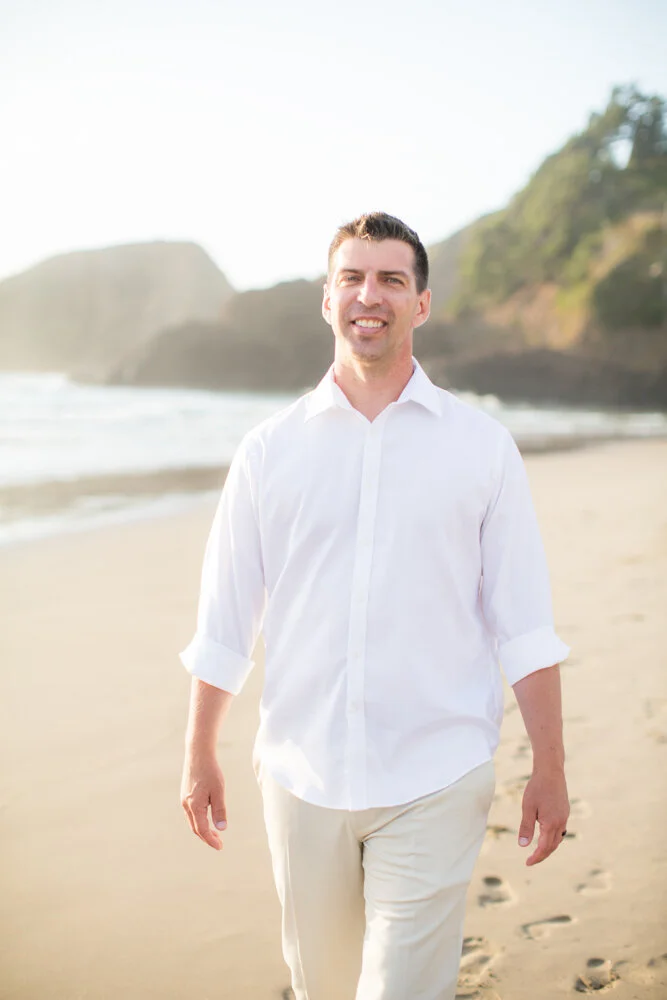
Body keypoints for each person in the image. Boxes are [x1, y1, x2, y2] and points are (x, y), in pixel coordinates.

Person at [179, 212, 570, 1000]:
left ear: (420, 304)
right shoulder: (268, 451)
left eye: (392, 279)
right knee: (321, 986)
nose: (371, 295)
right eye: (352, 278)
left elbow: (523, 626)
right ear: (326, 301)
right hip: (300, 774)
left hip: (436, 771)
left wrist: (550, 768)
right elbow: (226, 620)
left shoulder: (481, 447)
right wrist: (199, 753)